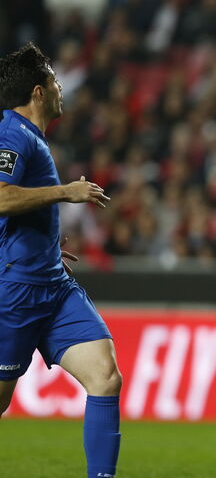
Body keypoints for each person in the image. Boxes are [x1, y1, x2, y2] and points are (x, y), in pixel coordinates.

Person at [0, 43, 121, 478]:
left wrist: (45, 249)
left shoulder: (30, 138)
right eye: (53, 79)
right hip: (14, 292)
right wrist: (65, 191)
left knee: (105, 377)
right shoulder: (12, 133)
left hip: (53, 287)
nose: (59, 86)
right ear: (37, 91)